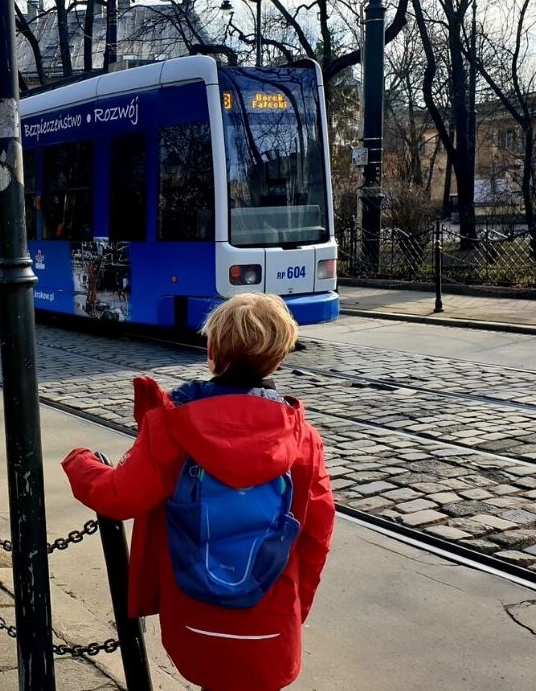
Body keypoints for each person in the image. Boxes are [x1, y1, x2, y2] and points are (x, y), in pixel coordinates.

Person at [62, 293, 334, 691]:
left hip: (195, 620)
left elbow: (117, 497)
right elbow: (316, 539)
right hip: (271, 624)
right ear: (280, 356)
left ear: (211, 351)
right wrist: (295, 609)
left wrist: (79, 462)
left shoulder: (174, 427)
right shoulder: (304, 440)